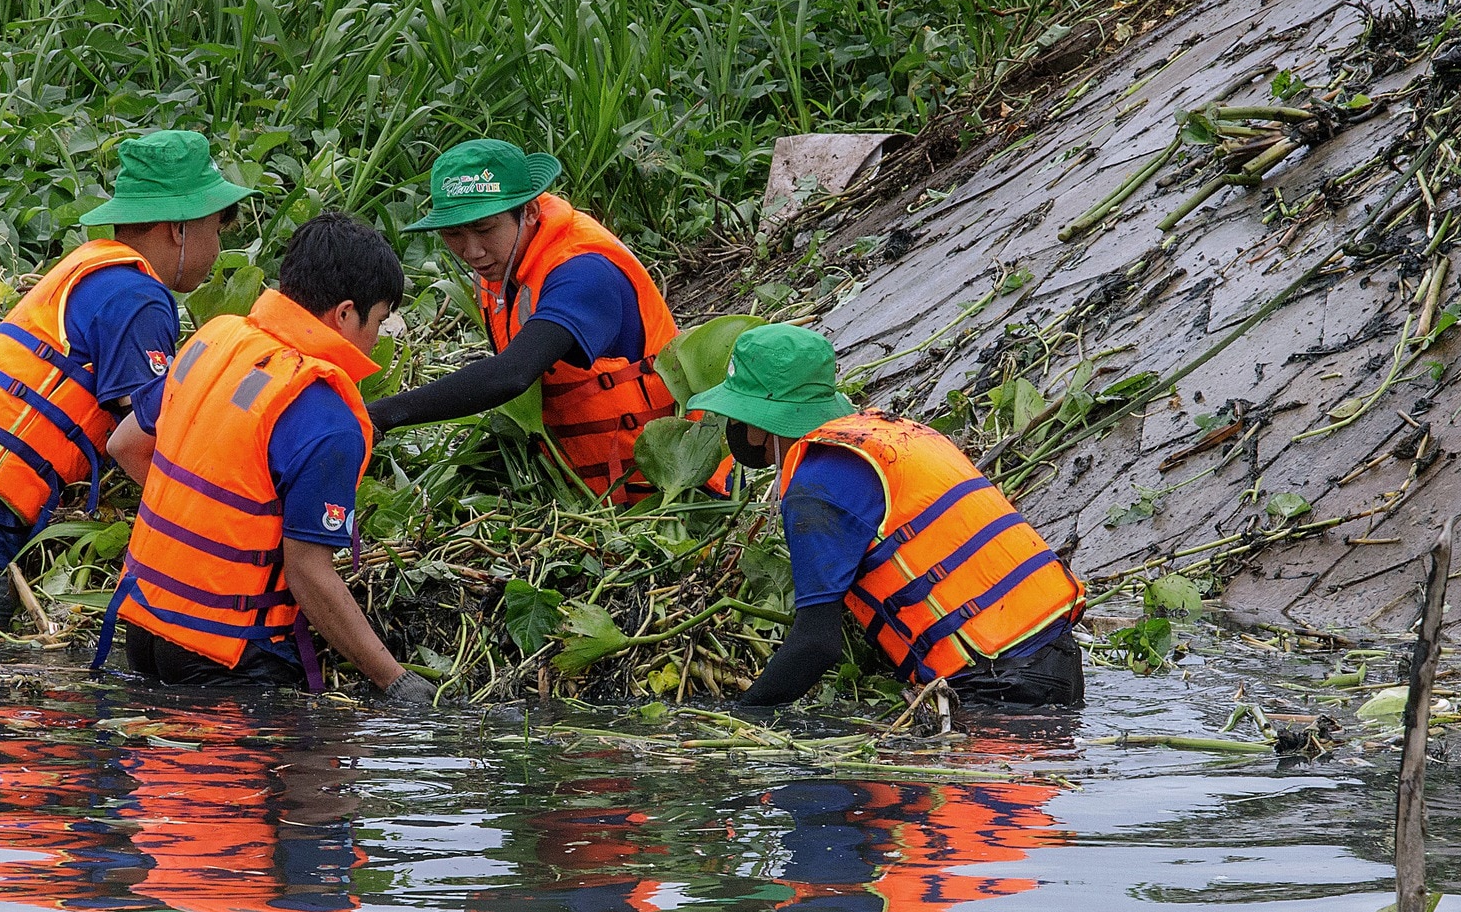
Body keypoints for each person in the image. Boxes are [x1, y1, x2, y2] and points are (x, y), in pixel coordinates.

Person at [0, 129, 254, 648]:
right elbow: (148, 438)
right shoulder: (137, 298)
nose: (217, 247)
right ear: (179, 229)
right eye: (216, 228)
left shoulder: (95, 270)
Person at [96, 211, 436, 705]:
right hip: (228, 654)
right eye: (379, 320)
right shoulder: (325, 414)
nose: (378, 339)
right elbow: (308, 573)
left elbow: (125, 444)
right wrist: (394, 680)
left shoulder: (215, 340)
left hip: (144, 628)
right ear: (344, 314)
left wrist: (212, 525)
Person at [692, 324, 1089, 709]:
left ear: (757, 428)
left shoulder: (815, 486)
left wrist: (742, 715)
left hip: (1001, 682)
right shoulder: (896, 434)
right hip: (1060, 655)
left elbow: (816, 645)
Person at [364, 138, 685, 503]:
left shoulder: (584, 272)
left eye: (484, 229)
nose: (472, 251)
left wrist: (380, 415)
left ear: (530, 211)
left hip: (659, 495)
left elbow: (511, 375)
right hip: (584, 491)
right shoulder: (503, 268)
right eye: (453, 234)